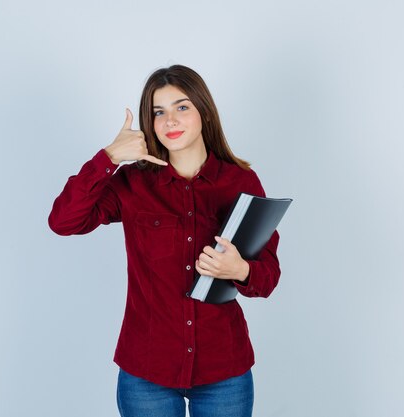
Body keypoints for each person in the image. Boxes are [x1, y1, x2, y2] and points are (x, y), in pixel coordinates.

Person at [48, 65, 281, 417]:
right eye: (159, 112)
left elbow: (268, 277)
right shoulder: (133, 183)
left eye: (182, 107)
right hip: (147, 372)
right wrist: (108, 157)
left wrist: (241, 269)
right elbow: (63, 221)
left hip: (224, 371)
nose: (170, 120)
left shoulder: (240, 181)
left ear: (204, 111)